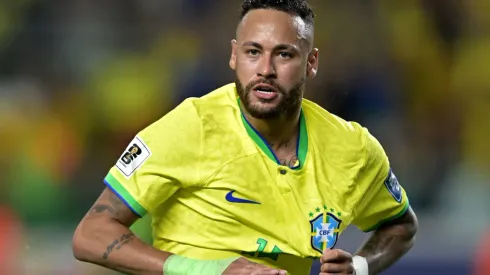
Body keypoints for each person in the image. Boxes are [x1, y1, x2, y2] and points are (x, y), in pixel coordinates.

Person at [72, 0, 418, 274]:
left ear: (311, 62)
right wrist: (207, 271)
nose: (265, 69)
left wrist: (359, 267)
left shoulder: (352, 149)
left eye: (283, 54)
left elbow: (401, 225)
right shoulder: (191, 126)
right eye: (254, 52)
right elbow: (90, 234)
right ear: (235, 55)